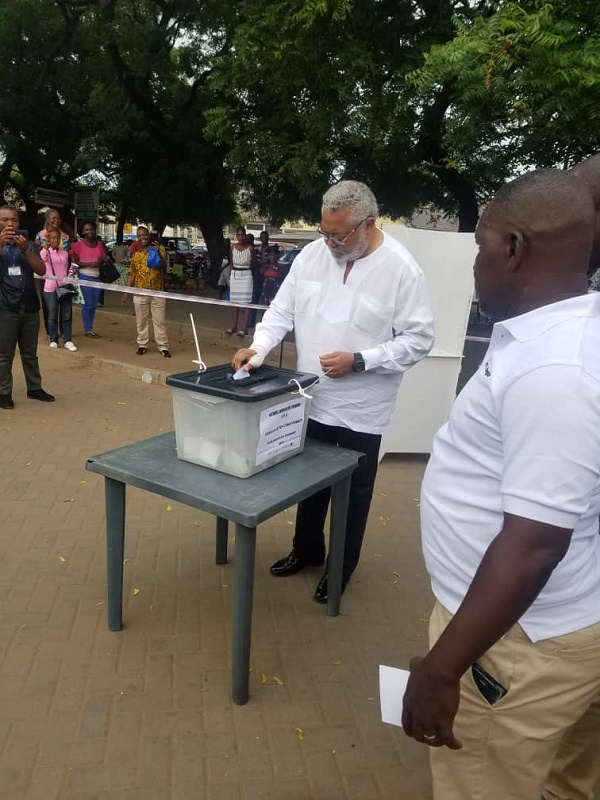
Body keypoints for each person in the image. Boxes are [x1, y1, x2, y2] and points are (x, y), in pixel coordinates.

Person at [402, 170, 600, 800]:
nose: (475, 265)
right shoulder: (565, 331)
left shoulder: (554, 369)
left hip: (514, 645)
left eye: (481, 246)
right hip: (550, 626)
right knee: (568, 782)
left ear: (513, 248)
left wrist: (443, 668)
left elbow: (536, 544)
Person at [233, 180, 434, 602]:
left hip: (363, 406)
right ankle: (306, 550)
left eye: (337, 234)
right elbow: (281, 310)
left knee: (354, 490)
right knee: (309, 483)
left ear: (368, 224)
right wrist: (258, 346)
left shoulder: (401, 268)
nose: (329, 242)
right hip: (310, 396)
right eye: (323, 231)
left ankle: (341, 567)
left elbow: (418, 340)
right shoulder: (312, 255)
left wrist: (360, 360)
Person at [0, 206, 55, 409]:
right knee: (4, 354)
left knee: (30, 352)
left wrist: (26, 251)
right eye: (5, 220)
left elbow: (41, 269)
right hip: (6, 307)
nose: (10, 224)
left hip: (30, 305)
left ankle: (35, 388)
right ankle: (4, 392)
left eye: (14, 220)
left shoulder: (29, 244)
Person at [121, 226, 170, 357]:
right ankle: (142, 344)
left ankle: (163, 346)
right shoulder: (136, 255)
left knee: (159, 320)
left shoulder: (159, 249)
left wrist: (158, 251)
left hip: (157, 291)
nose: (142, 237)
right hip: (140, 292)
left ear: (149, 235)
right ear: (137, 238)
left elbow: (163, 267)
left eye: (145, 235)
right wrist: (126, 292)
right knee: (141, 320)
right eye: (140, 236)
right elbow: (132, 274)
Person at [40, 227, 77, 351]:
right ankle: (54, 339)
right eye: (53, 238)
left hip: (64, 287)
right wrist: (46, 246)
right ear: (49, 239)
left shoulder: (65, 253)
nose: (56, 240)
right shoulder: (46, 252)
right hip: (50, 288)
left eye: (58, 238)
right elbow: (43, 258)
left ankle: (68, 340)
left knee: (66, 314)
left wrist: (71, 274)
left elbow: (66, 269)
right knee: (52, 314)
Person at [70, 221, 107, 338]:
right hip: (84, 276)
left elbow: (103, 259)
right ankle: (88, 330)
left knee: (93, 305)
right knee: (88, 305)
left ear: (95, 230)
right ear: (83, 232)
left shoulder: (99, 244)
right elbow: (74, 261)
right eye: (86, 229)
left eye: (91, 229)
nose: (89, 231)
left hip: (97, 277)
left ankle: (90, 328)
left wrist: (99, 263)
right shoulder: (78, 245)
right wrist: (90, 264)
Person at [225, 226, 254, 336]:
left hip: (246, 275)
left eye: (243, 234)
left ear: (245, 235)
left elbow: (254, 262)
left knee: (246, 303)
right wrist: (232, 274)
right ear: (236, 236)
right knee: (234, 302)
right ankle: (234, 326)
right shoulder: (232, 247)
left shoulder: (250, 248)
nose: (241, 237)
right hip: (235, 275)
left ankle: (244, 328)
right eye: (239, 234)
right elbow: (231, 262)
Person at [258, 230, 283, 307]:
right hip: (265, 291)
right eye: (270, 255)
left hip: (276, 291)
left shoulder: (281, 267)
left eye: (274, 255)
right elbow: (261, 272)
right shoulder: (265, 267)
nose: (272, 257)